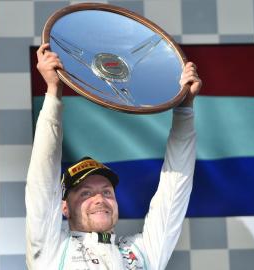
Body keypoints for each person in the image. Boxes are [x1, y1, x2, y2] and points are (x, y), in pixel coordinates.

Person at [26, 43, 202, 270]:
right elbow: (43, 176)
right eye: (85, 193)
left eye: (106, 192)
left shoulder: (141, 253)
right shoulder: (52, 251)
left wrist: (185, 108)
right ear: (65, 208)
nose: (100, 199)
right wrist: (53, 93)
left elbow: (175, 188)